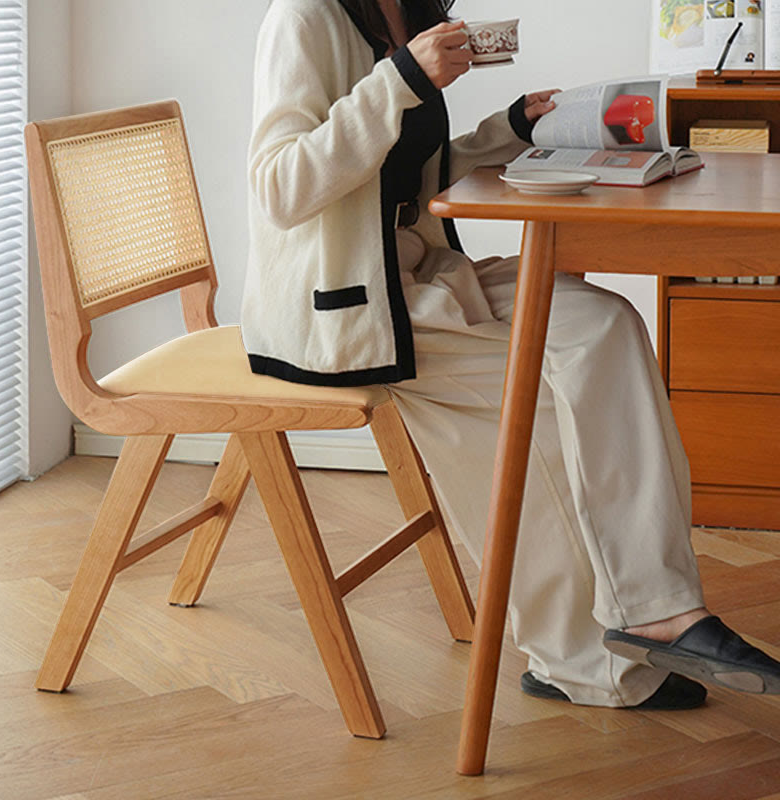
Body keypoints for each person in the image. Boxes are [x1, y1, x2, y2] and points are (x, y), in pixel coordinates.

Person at [241, 0, 780, 709]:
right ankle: (582, 659)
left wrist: (511, 130)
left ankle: (657, 608)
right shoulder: (305, 18)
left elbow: (405, 175)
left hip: (416, 274)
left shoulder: (406, 10)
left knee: (602, 324)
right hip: (343, 307)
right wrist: (401, 76)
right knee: (545, 400)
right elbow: (280, 186)